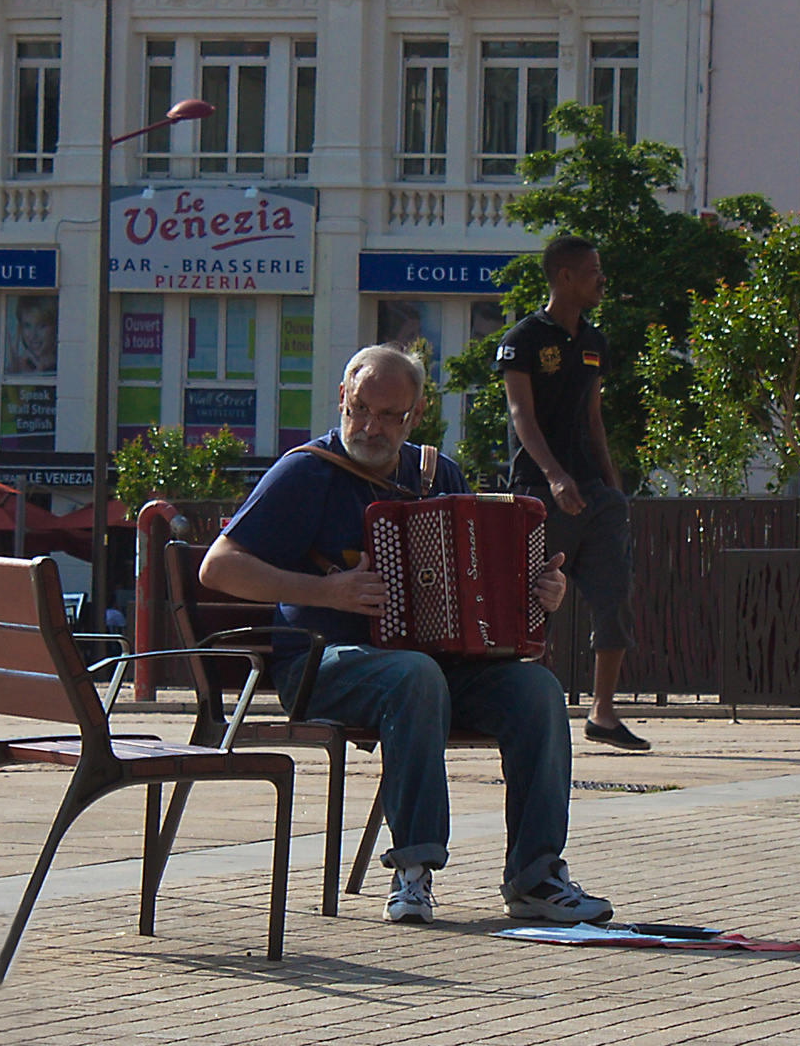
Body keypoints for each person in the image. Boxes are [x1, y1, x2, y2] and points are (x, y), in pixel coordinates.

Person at [199, 345, 606, 927]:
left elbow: (478, 584)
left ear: (415, 416)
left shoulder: (436, 475)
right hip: (320, 667)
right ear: (342, 397)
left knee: (536, 691)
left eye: (391, 415)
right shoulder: (306, 472)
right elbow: (217, 567)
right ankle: (413, 871)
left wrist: (537, 596)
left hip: (434, 670)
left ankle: (535, 876)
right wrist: (328, 592)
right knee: (412, 674)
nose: (371, 425)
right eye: (361, 407)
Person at [494, 235, 650, 753]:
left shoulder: (594, 341)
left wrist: (611, 483)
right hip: (539, 491)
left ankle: (602, 713)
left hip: (594, 494)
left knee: (614, 595)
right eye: (593, 270)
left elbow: (594, 418)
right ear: (564, 276)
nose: (601, 279)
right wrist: (555, 476)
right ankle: (524, 704)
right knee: (532, 602)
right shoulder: (523, 338)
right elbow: (522, 416)